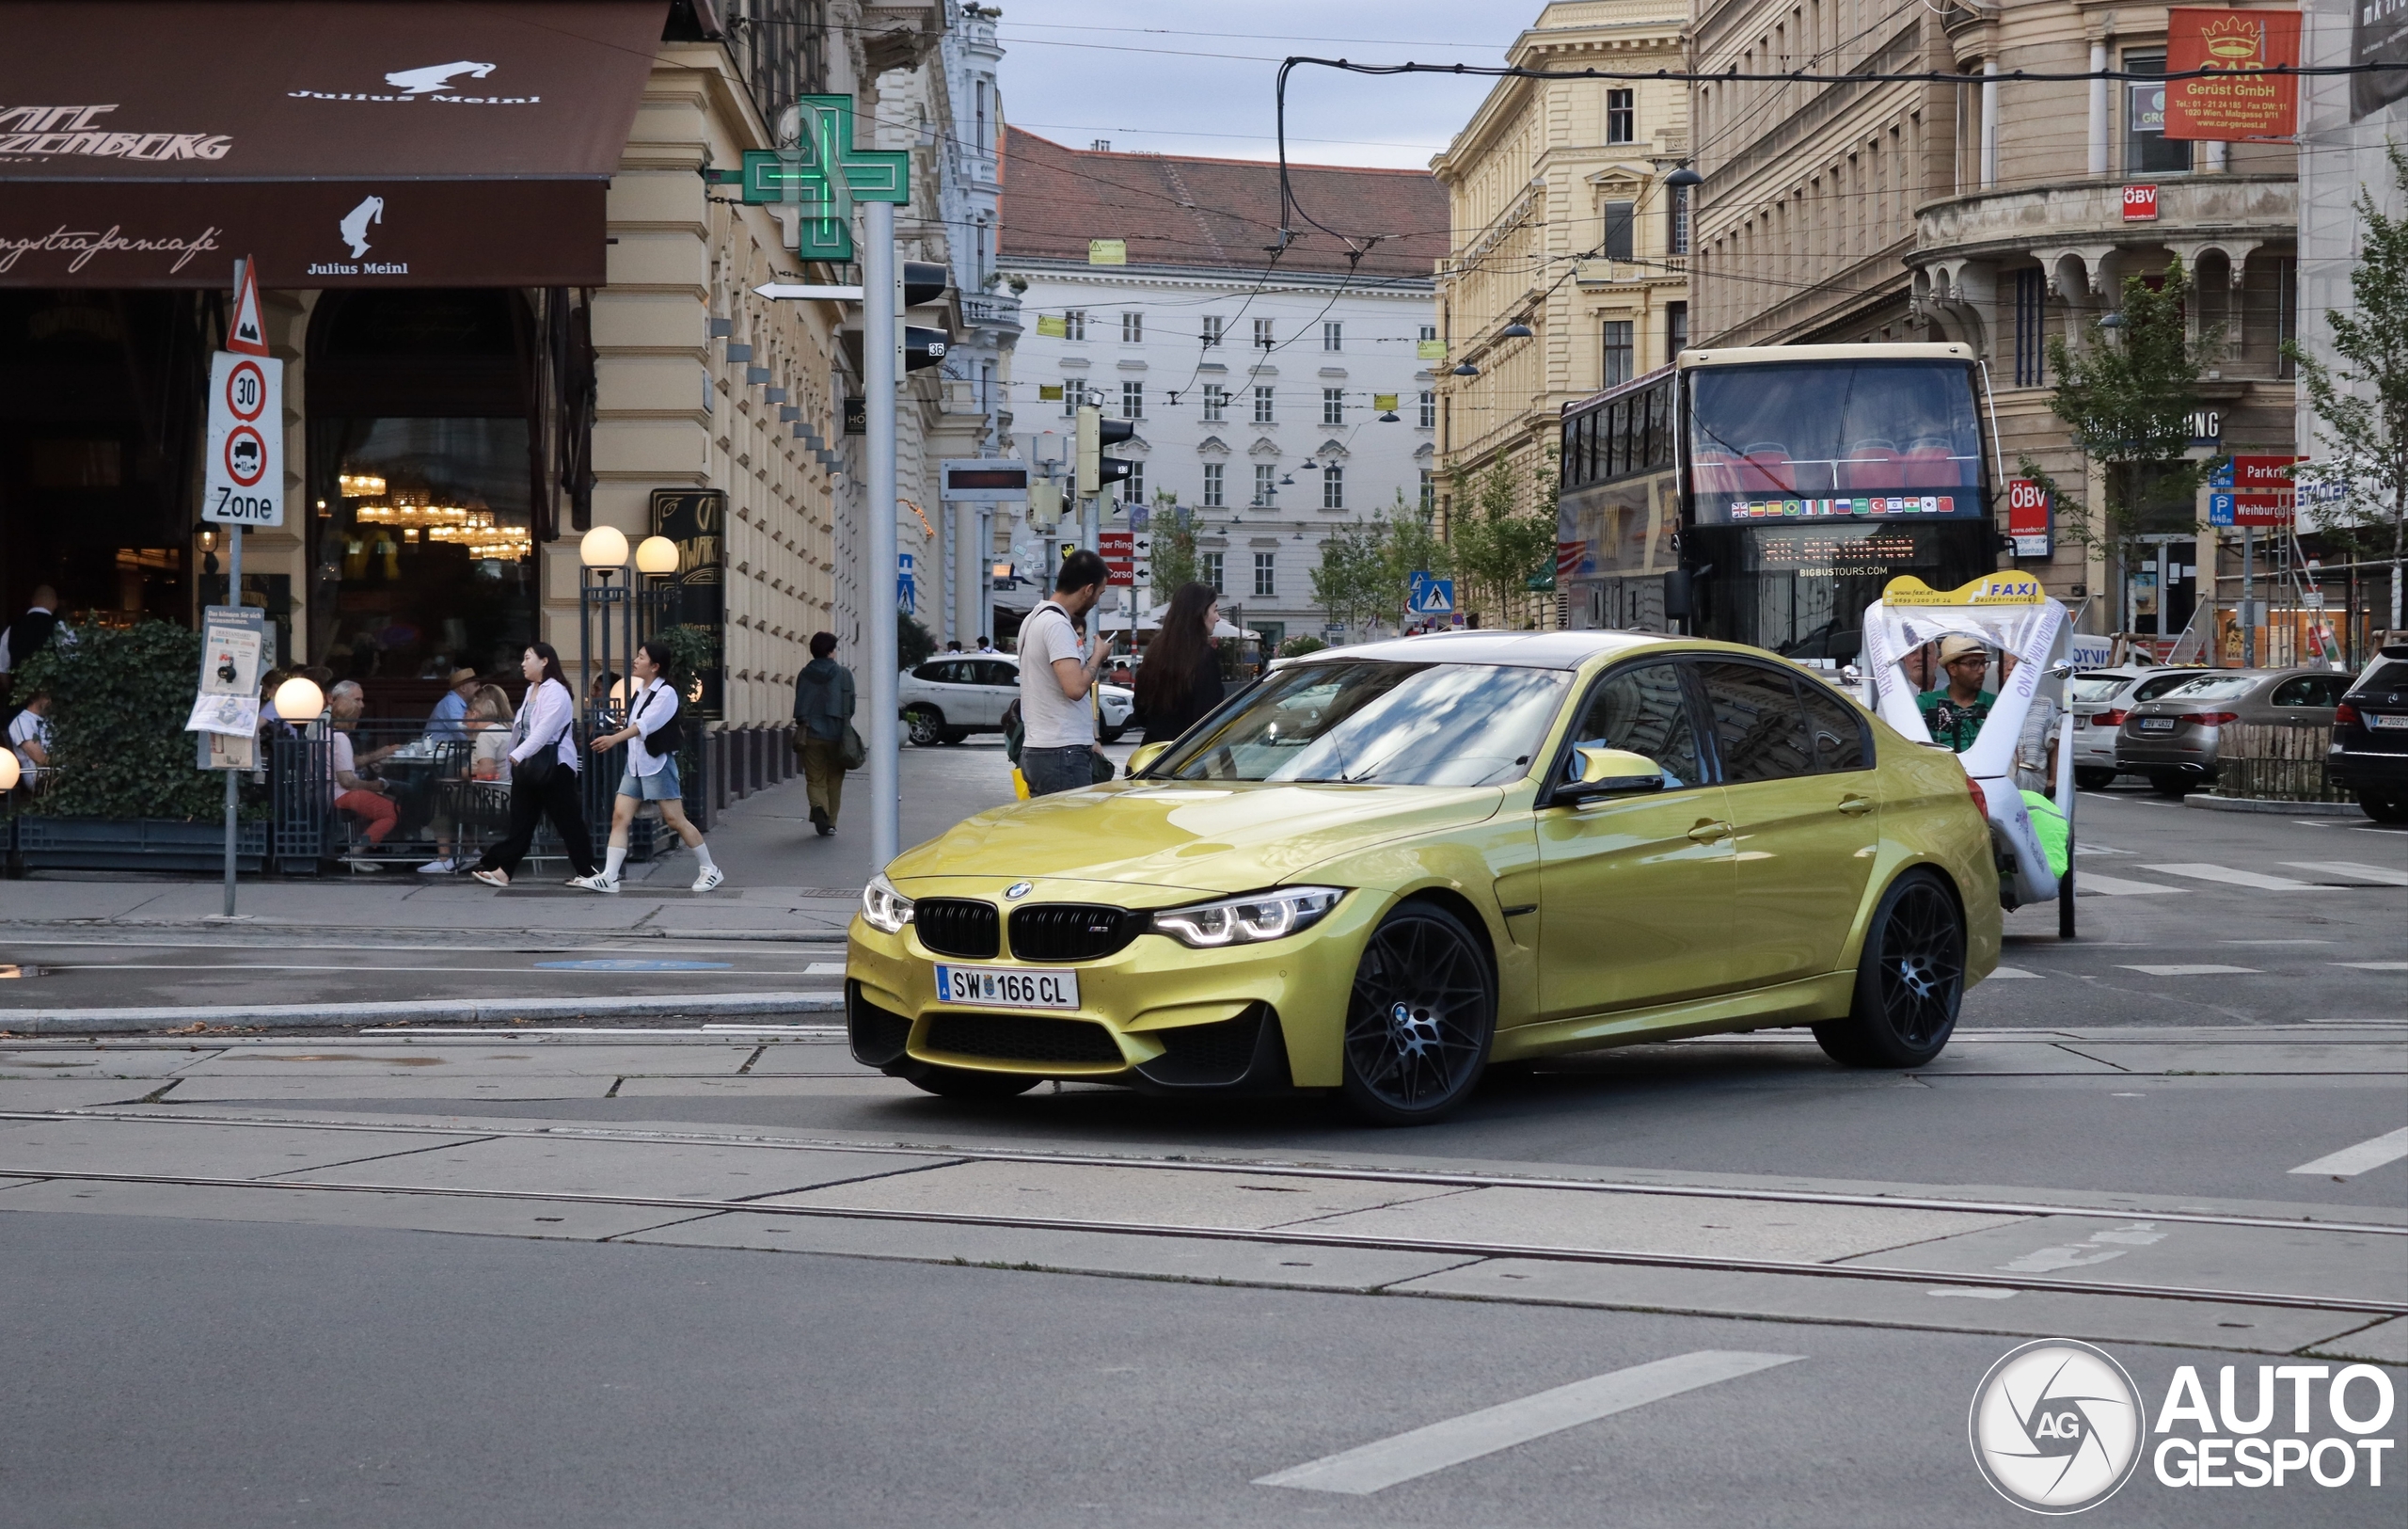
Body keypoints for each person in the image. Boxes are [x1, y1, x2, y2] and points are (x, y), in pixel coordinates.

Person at [575, 638, 721, 893]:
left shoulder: (665, 694)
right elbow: (634, 725)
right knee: (620, 816)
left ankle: (710, 869)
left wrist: (613, 739)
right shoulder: (640, 691)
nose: (635, 660)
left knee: (675, 819)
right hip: (635, 766)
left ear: (654, 666)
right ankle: (610, 876)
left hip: (656, 765)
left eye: (641, 657)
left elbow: (643, 726)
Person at [470, 643, 600, 888]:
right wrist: (518, 758)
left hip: (554, 767)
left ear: (544, 661)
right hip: (529, 766)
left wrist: (518, 754)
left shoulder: (557, 692)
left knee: (568, 822)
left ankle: (589, 873)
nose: (522, 663)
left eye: (528, 658)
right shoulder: (532, 689)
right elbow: (523, 730)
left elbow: (544, 731)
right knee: (521, 821)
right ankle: (502, 871)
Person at [1017, 549, 1117, 796]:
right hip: (1062, 752)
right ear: (1087, 589)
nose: (1096, 601)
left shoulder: (1033, 619)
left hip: (1042, 749)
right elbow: (1074, 688)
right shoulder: (1057, 625)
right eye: (1099, 593)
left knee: (1050, 832)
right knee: (1071, 831)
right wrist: (1098, 656)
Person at [420, 686, 514, 874]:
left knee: (442, 796)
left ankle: (445, 858)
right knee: (455, 794)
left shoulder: (486, 736)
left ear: (476, 714)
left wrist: (465, 772)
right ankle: (473, 849)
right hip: (508, 796)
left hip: (494, 799)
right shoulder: (504, 730)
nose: (464, 716)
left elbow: (487, 772)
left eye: (468, 712)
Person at [1134, 581, 1226, 745]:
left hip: (1153, 754)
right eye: (1215, 610)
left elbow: (1140, 714)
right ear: (1200, 613)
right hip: (1187, 757)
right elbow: (1210, 717)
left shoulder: (1154, 652)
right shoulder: (1204, 657)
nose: (1218, 618)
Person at [327, 680, 399, 869]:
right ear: (352, 719)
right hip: (341, 795)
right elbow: (347, 781)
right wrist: (374, 786)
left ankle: (360, 852)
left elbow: (345, 765)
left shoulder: (327, 733)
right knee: (391, 811)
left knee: (389, 801)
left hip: (328, 792)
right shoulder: (341, 739)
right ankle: (355, 854)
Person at [793, 631, 855, 836]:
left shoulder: (804, 674)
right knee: (835, 779)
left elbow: (800, 704)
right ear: (830, 651)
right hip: (837, 735)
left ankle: (819, 807)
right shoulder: (844, 674)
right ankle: (830, 823)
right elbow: (850, 706)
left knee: (815, 778)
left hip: (810, 734)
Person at [1918, 634, 1997, 752]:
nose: (1982, 670)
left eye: (1983, 663)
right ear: (1952, 669)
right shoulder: (1926, 702)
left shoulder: (1996, 704)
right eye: (1973, 664)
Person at [0, 585, 59, 677]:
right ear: (55, 603)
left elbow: (2, 669)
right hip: (53, 690)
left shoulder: (12, 628)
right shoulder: (61, 628)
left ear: (33, 601)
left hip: (20, 690)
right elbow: (74, 662)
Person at [427, 666, 479, 741]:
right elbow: (462, 734)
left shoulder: (461, 702)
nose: (479, 688)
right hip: (436, 751)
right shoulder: (451, 702)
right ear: (463, 688)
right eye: (476, 685)